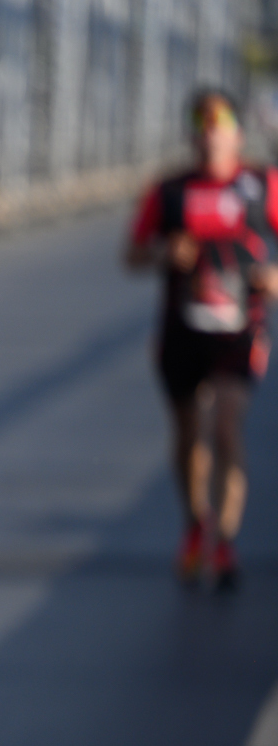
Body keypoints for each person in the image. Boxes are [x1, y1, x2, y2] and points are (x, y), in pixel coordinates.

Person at [126, 87, 278, 589]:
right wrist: (165, 255)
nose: (212, 133)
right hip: (182, 329)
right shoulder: (169, 190)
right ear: (192, 132)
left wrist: (274, 279)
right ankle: (196, 523)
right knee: (190, 436)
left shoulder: (262, 185)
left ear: (237, 130)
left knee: (227, 428)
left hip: (239, 330)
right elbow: (131, 255)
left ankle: (226, 544)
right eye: (202, 122)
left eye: (222, 122)